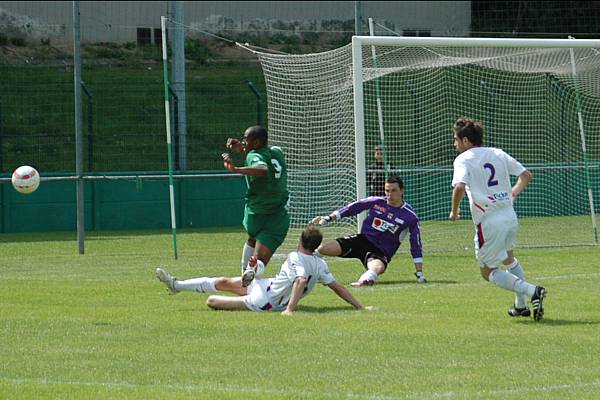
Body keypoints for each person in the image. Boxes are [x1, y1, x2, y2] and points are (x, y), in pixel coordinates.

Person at [449, 117, 547, 321]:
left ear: (466, 141)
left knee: (487, 272)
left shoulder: (463, 159)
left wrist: (455, 211)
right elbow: (526, 175)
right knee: (508, 258)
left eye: (456, 140)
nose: (454, 144)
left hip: (490, 220)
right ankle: (520, 307)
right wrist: (512, 193)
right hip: (509, 215)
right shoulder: (497, 153)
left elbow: (459, 186)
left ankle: (532, 291)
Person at [155, 226, 374, 315]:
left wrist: (290, 309)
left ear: (300, 240)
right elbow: (337, 288)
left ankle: (178, 286)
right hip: (264, 286)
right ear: (316, 245)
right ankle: (176, 285)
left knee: (212, 301)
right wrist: (360, 306)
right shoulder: (320, 263)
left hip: (266, 301)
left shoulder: (295, 257)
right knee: (224, 281)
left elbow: (299, 281)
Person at [311, 174, 426, 287]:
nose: (390, 194)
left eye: (394, 190)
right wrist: (329, 217)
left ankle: (365, 280)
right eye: (387, 191)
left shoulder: (410, 216)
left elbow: (415, 244)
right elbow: (353, 208)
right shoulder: (376, 201)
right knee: (322, 249)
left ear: (402, 191)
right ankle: (308, 271)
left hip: (380, 251)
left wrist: (419, 272)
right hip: (362, 240)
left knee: (377, 267)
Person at [222, 125, 290, 287]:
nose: (244, 141)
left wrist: (236, 169)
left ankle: (246, 278)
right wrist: (243, 149)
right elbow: (263, 158)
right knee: (257, 255)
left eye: (247, 139)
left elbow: (262, 168)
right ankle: (249, 277)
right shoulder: (277, 152)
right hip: (276, 210)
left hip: (258, 209)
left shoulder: (254, 154)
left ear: (257, 142)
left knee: (253, 241)